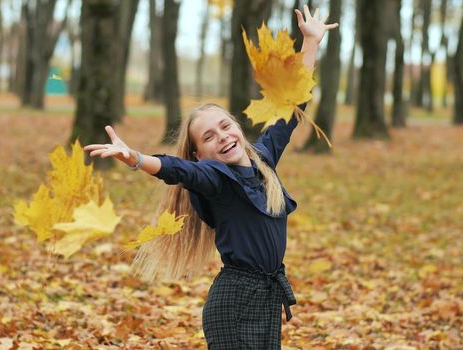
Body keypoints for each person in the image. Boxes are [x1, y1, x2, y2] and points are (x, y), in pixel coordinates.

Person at [85, 5, 338, 349]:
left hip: (265, 298)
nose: (221, 136)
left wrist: (310, 43)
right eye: (208, 137)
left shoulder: (263, 159)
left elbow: (292, 106)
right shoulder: (214, 178)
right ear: (199, 155)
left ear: (236, 126)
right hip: (234, 303)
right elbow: (177, 170)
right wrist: (136, 158)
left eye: (225, 126)